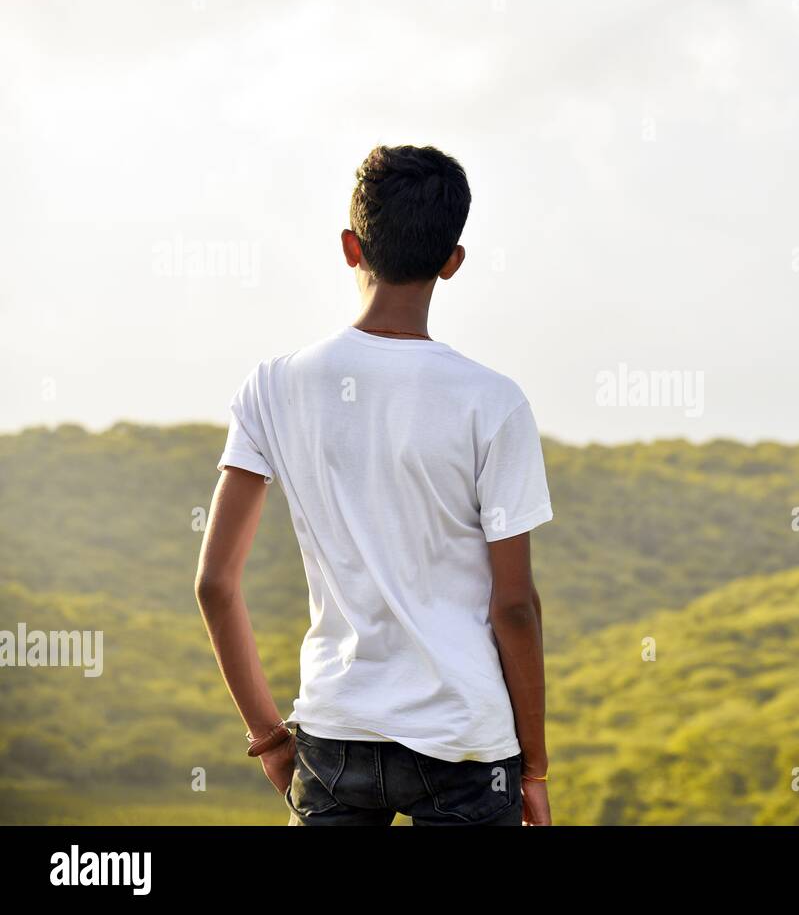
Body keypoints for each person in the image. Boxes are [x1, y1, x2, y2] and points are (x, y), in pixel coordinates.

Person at [194, 144, 552, 826]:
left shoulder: (272, 386)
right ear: (453, 261)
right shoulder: (494, 401)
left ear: (350, 245)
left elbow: (214, 583)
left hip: (335, 736)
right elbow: (514, 606)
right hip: (468, 744)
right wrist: (532, 766)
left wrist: (269, 736)